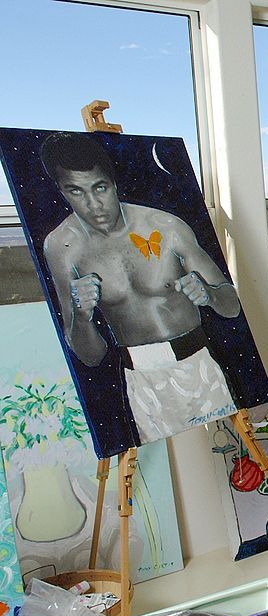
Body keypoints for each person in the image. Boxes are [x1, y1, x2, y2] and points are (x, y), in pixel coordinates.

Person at [39, 132, 240, 443]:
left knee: (234, 450)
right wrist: (81, 316)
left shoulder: (166, 227)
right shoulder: (61, 246)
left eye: (100, 188)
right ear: (61, 191)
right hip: (140, 380)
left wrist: (209, 294)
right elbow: (90, 356)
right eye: (76, 191)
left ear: (114, 182)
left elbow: (231, 306)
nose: (94, 205)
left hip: (198, 368)